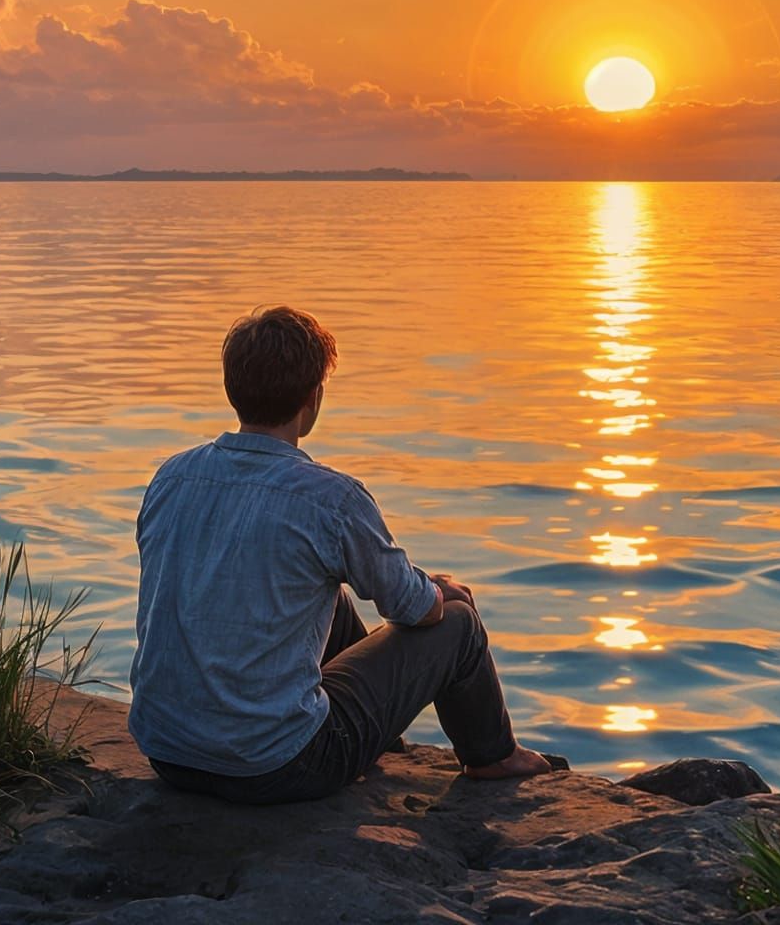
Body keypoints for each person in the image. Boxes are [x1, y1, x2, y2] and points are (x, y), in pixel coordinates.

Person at [127, 304, 552, 803]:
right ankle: (493, 756)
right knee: (457, 622)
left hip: (169, 753)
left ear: (232, 389)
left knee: (331, 598)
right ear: (314, 399)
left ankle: (377, 736)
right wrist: (439, 590)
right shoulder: (330, 499)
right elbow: (415, 607)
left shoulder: (171, 477)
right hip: (277, 765)